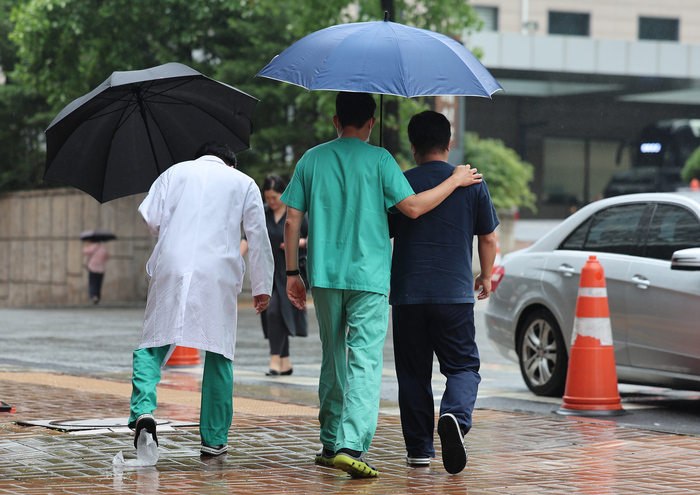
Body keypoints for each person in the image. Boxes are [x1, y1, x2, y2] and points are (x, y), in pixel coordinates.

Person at [281, 92, 482, 478]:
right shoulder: (381, 160)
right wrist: (456, 179)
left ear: (336, 120)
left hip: (323, 275)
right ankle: (351, 445)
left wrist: (293, 274)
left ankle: (328, 441)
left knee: (333, 356)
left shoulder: (312, 158)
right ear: (372, 122)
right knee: (365, 359)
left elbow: (292, 220)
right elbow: (413, 208)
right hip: (370, 278)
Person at [128, 141, 274, 457]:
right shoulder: (243, 182)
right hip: (217, 272)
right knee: (219, 351)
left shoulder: (173, 173)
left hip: (172, 266)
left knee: (152, 342)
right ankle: (214, 438)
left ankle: (144, 409)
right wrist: (262, 285)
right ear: (229, 163)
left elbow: (152, 222)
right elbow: (257, 236)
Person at [388, 111, 499, 475]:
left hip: (407, 294)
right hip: (453, 294)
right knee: (463, 366)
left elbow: (381, 231)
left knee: (413, 375)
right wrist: (484, 274)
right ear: (449, 144)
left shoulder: (400, 182)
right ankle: (454, 416)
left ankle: (419, 451)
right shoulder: (471, 182)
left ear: (413, 145)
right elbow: (489, 236)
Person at [241, 174, 309, 376]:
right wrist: (237, 257)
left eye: (274, 197)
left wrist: (298, 243)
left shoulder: (295, 212)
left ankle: (273, 361)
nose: (270, 202)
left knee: (274, 312)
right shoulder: (263, 213)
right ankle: (285, 362)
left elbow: (310, 237)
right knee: (277, 315)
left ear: (283, 193)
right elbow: (248, 236)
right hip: (268, 271)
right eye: (267, 197)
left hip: (289, 271)